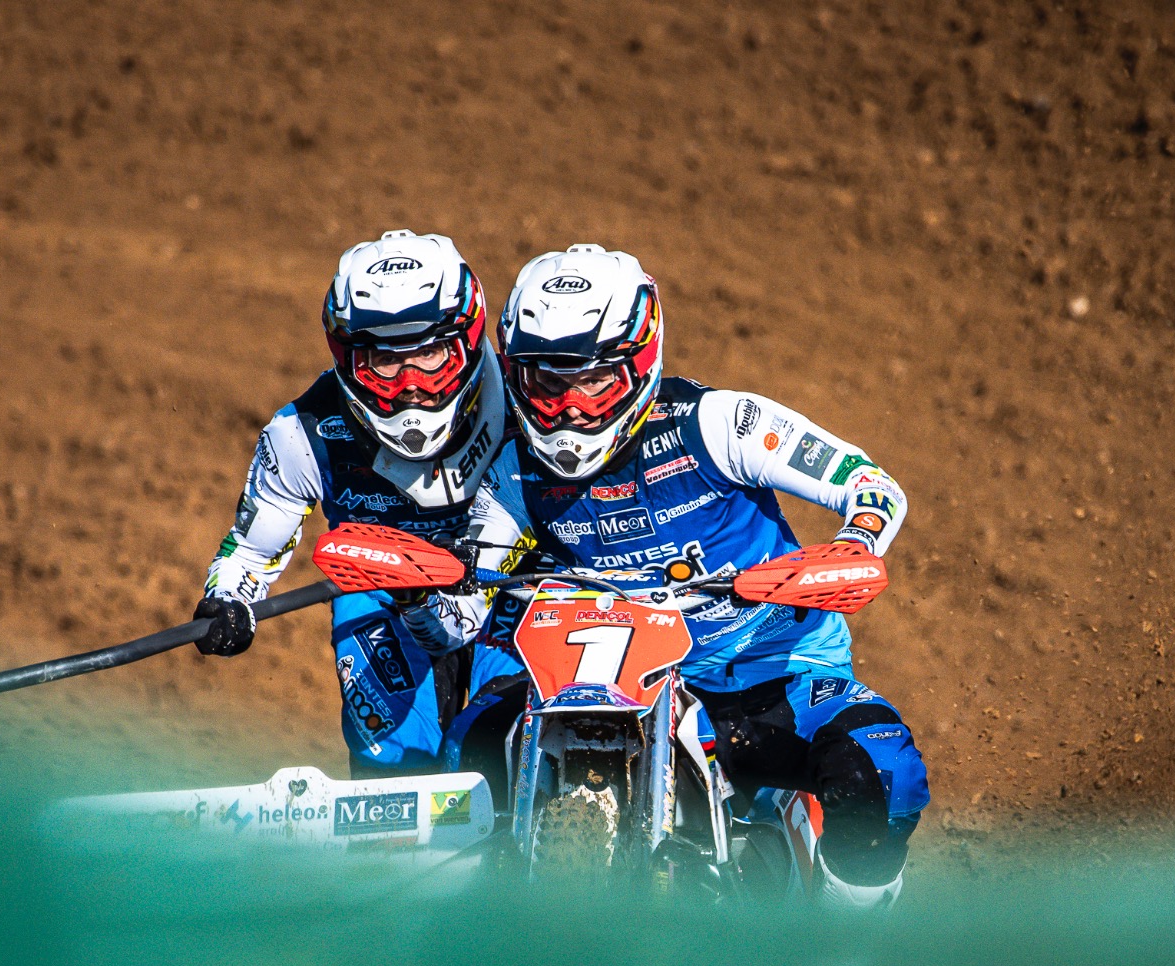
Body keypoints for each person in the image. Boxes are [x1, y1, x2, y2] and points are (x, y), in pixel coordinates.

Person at [417, 244, 930, 906]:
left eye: (594, 381)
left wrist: (853, 543)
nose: (570, 408)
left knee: (878, 772)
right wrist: (428, 594)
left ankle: (843, 957)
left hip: (763, 678)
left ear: (640, 362)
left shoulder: (719, 425)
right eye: (547, 382)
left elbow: (870, 484)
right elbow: (462, 611)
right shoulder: (512, 472)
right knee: (471, 750)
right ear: (515, 374)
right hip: (591, 680)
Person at [193, 230, 516, 776]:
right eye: (384, 360)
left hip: (509, 589)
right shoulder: (303, 433)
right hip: (383, 594)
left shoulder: (524, 399)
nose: (410, 383)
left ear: (467, 339)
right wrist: (225, 601)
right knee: (392, 766)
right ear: (346, 357)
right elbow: (248, 553)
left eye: (430, 354)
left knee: (506, 748)